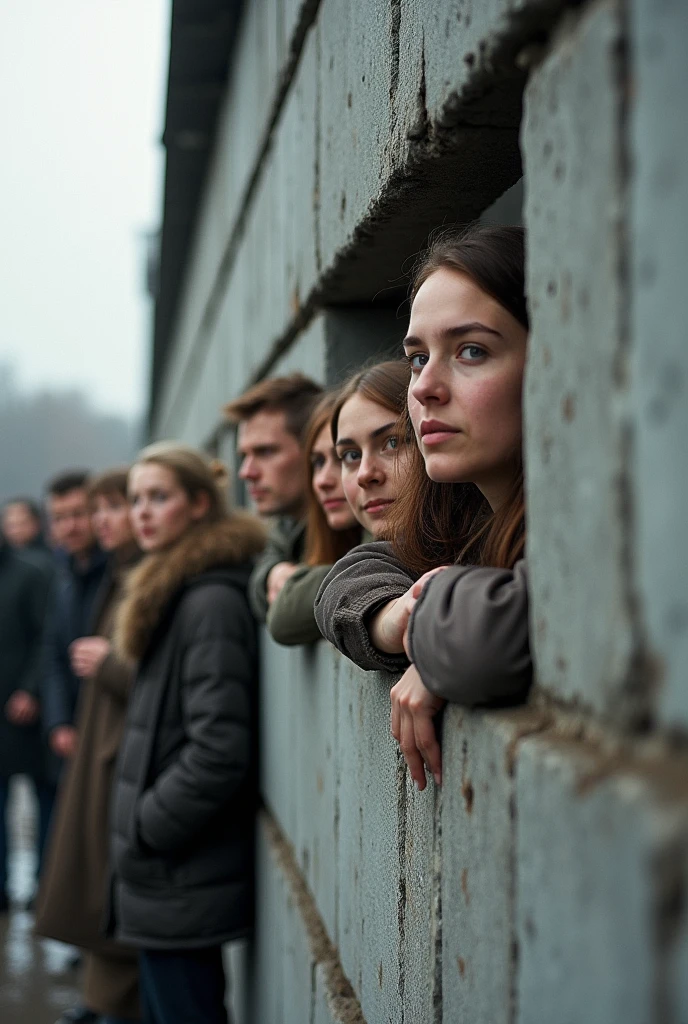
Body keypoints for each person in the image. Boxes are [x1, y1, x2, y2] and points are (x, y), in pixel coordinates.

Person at [316, 225, 532, 790]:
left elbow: (493, 633)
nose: (426, 387)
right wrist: (396, 619)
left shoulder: (583, 525)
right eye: (417, 358)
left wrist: (435, 646)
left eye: (472, 351)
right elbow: (346, 579)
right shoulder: (464, 517)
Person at [108, 442, 265, 1024]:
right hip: (166, 878)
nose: (142, 512)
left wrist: (145, 826)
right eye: (136, 499)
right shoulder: (172, 593)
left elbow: (221, 747)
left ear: (199, 505)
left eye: (159, 497)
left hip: (180, 875)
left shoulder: (208, 604)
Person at [35, 469, 142, 1024]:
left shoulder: (128, 573)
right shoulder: (72, 575)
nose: (91, 524)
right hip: (86, 737)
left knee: (102, 878)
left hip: (115, 750)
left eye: (102, 509)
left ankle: (105, 1002)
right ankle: (99, 998)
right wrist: (59, 718)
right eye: (77, 515)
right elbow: (55, 651)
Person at [223, 373, 322, 620]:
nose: (246, 473)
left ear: (313, 448)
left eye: (265, 452)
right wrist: (272, 575)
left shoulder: (353, 517)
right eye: (244, 456)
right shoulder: (286, 525)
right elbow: (262, 574)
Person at [266, 391, 362, 645]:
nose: (323, 481)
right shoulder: (320, 534)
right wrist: (272, 573)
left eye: (347, 457)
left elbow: (283, 618)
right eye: (318, 462)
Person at [0, 532, 52, 911]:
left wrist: (30, 689)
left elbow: (47, 637)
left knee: (45, 799)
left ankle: (45, 888)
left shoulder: (31, 573)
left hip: (28, 713)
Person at [41, 471, 107, 768]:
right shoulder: (63, 578)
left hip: (109, 729)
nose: (70, 526)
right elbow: (54, 652)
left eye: (79, 514)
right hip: (73, 733)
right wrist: (59, 721)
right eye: (59, 518)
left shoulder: (118, 576)